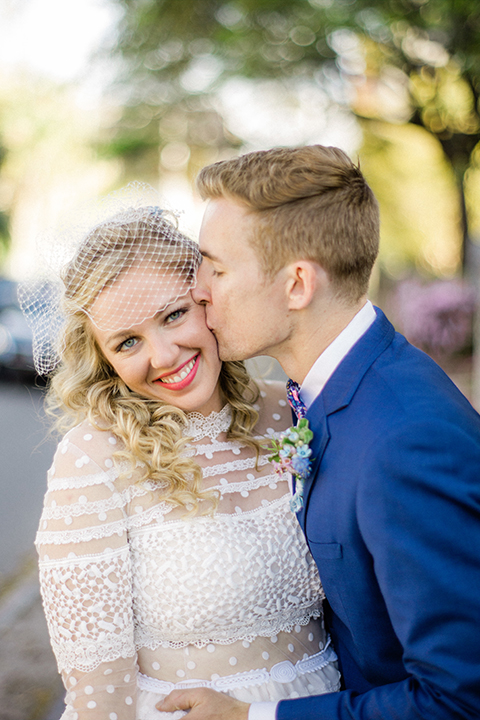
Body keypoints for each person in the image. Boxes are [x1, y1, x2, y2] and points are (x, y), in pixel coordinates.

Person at [156, 145, 480, 720]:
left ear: (298, 284)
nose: (197, 289)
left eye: (217, 268)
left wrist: (255, 716)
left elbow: (457, 700)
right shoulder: (335, 392)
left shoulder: (405, 443)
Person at [21, 199, 341, 720]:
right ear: (102, 358)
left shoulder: (292, 410)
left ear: (207, 299)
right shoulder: (94, 458)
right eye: (128, 342)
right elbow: (100, 699)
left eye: (174, 315)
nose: (165, 355)